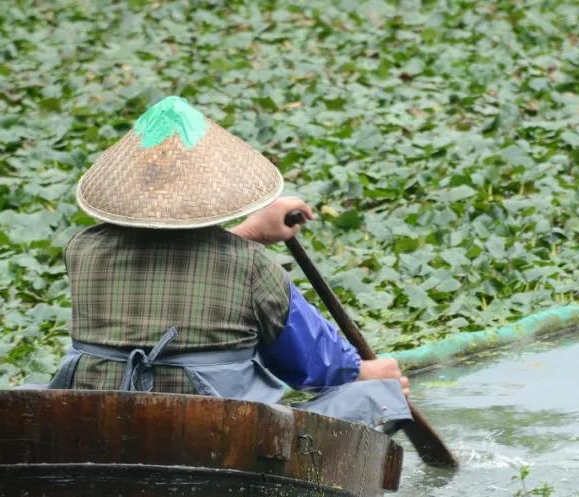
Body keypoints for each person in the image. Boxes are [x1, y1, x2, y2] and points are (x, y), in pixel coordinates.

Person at [47, 96, 411, 429]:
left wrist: (249, 232)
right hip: (218, 437)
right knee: (375, 394)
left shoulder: (82, 251)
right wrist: (366, 372)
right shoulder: (251, 266)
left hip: (101, 424)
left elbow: (172, 261)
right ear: (212, 190)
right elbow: (310, 366)